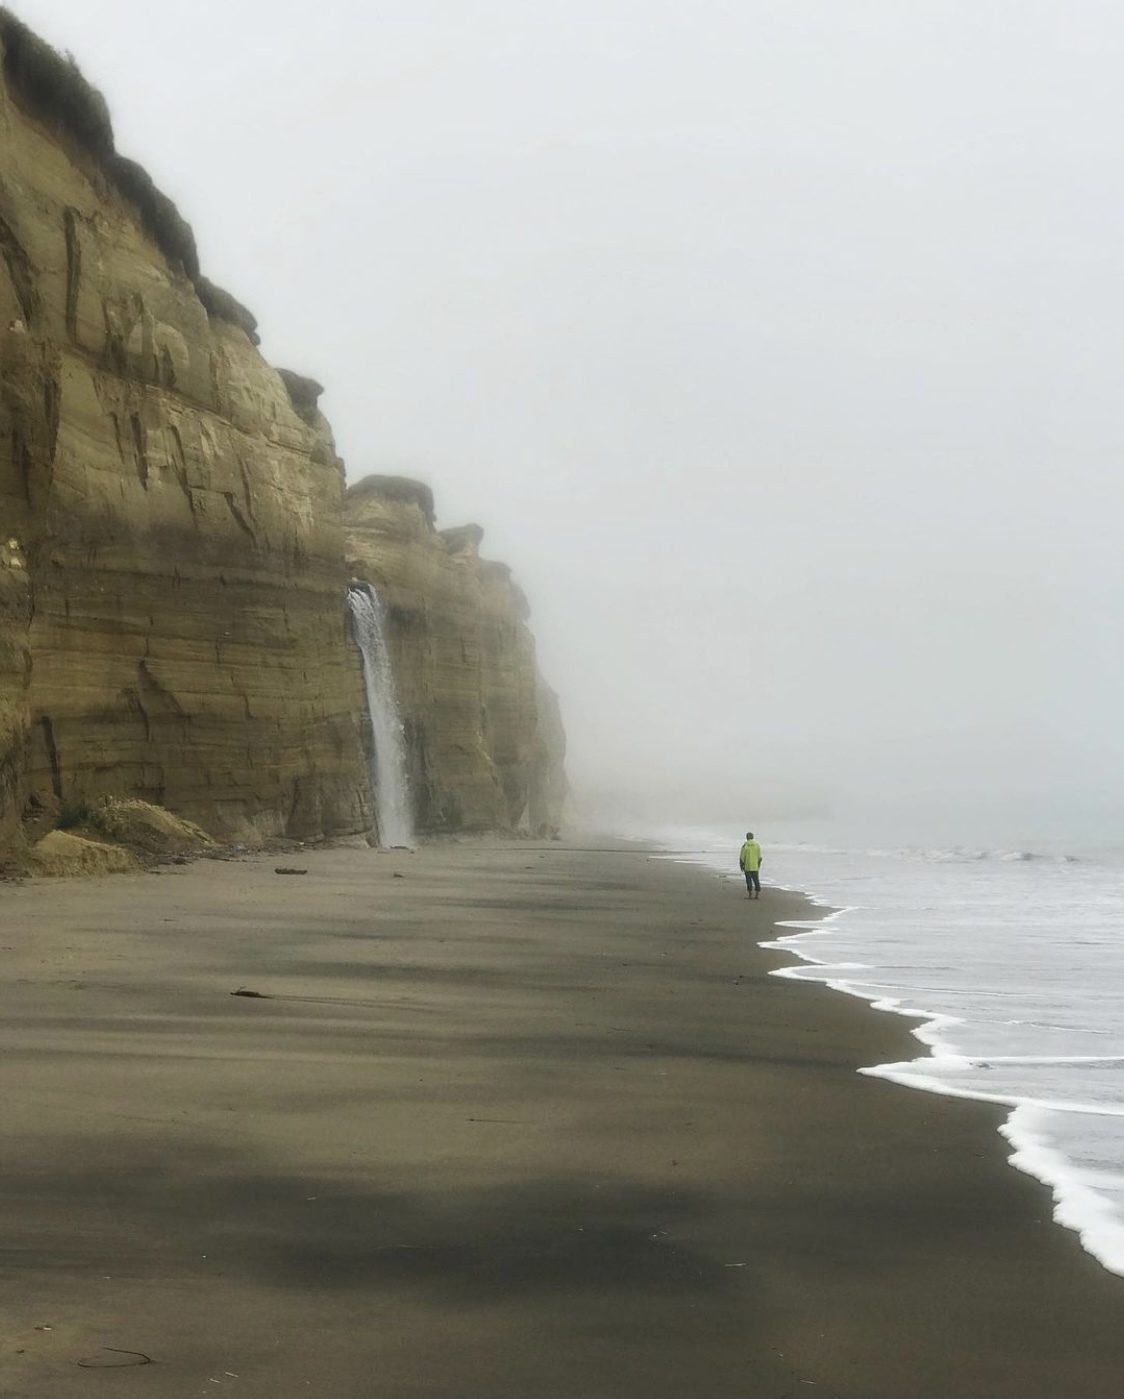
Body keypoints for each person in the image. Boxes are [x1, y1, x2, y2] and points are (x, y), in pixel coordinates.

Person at [739, 831, 763, 899]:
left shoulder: (745, 846)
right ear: (753, 837)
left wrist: (741, 865)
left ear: (747, 838)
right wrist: (758, 865)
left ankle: (750, 895)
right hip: (755, 866)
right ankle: (757, 895)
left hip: (748, 866)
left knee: (748, 881)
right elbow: (760, 857)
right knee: (756, 880)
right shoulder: (757, 845)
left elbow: (742, 857)